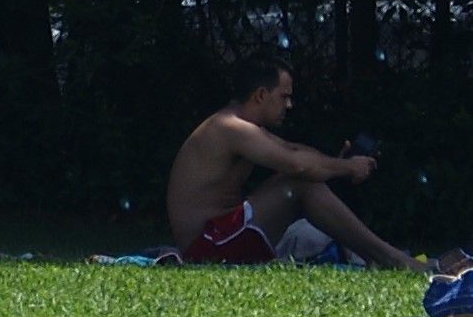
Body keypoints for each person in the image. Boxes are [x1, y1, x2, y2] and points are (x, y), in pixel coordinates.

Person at [165, 53, 424, 269]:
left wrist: (336, 164)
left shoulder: (244, 127)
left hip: (220, 237)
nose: (289, 105)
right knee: (299, 184)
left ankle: (384, 256)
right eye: (284, 96)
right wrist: (347, 168)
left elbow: (293, 152)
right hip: (207, 249)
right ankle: (391, 258)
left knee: (302, 187)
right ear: (260, 95)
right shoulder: (231, 127)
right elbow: (297, 164)